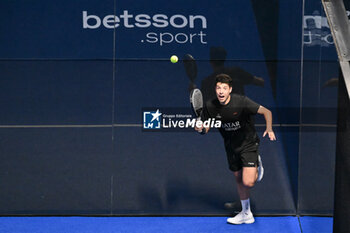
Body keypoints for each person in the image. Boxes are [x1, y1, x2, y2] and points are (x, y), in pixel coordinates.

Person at [196, 74, 276, 224]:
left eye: (224, 88)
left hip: (248, 144)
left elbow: (267, 112)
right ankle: (246, 213)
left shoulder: (241, 101)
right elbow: (206, 128)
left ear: (230, 90)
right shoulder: (210, 106)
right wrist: (199, 128)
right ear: (215, 89)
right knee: (238, 179)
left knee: (248, 182)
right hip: (231, 146)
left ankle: (257, 164)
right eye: (218, 88)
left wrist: (269, 128)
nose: (221, 91)